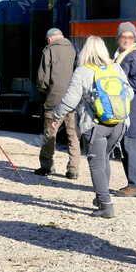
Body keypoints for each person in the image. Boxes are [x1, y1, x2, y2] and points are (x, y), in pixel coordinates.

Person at [52, 36, 133, 219]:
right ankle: (101, 196)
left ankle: (106, 206)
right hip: (118, 123)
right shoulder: (115, 67)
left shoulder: (82, 71)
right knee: (104, 159)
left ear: (85, 51)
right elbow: (129, 94)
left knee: (96, 163)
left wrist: (56, 116)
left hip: (95, 124)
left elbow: (70, 101)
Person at [35, 28, 80, 179]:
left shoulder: (48, 51)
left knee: (50, 133)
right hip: (72, 100)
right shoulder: (74, 49)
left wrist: (44, 91)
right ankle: (73, 169)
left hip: (54, 99)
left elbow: (43, 79)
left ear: (49, 39)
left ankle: (47, 166)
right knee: (72, 135)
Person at [113, 22, 136, 197]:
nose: (126, 40)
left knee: (131, 144)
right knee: (128, 144)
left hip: (133, 109)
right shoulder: (122, 56)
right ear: (118, 38)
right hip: (128, 107)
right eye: (123, 36)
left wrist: (116, 86)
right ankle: (135, 183)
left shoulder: (135, 57)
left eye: (130, 37)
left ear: (134, 39)